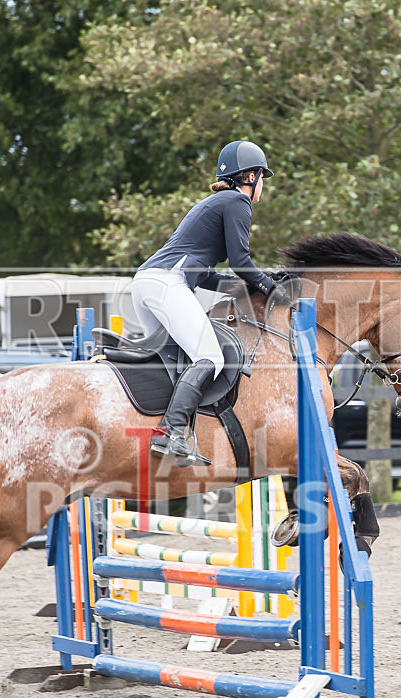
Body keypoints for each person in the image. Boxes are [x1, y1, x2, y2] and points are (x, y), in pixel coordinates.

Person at [131, 140, 282, 466]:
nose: (262, 190)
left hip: (147, 283)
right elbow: (242, 263)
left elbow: (210, 276)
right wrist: (270, 286)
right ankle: (172, 433)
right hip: (167, 284)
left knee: (175, 361)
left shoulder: (214, 202)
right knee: (210, 356)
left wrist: (243, 289)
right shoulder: (238, 202)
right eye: (262, 180)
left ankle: (160, 428)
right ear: (251, 176)